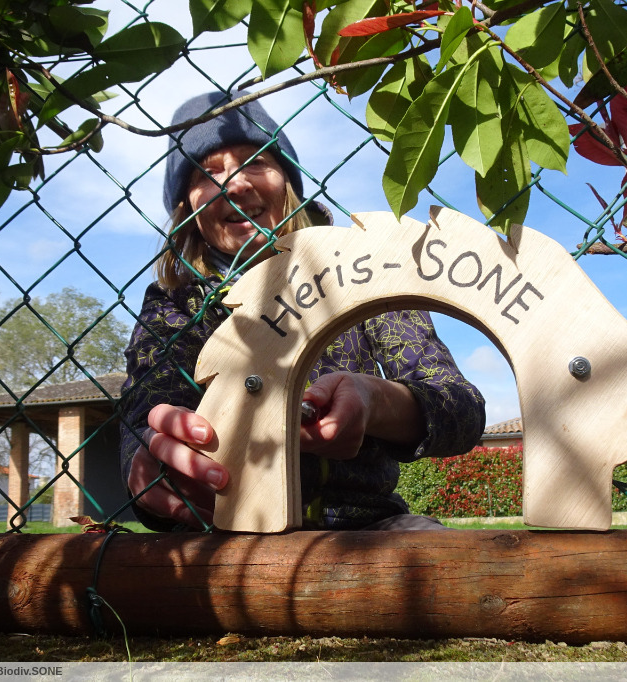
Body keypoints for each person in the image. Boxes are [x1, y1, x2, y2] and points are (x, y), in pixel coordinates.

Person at [119, 90, 486, 531]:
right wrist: (150, 459)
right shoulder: (175, 302)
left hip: (367, 526)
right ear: (187, 207)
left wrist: (373, 400)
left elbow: (460, 407)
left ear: (288, 181)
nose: (236, 184)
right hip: (224, 527)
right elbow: (145, 410)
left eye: (255, 161)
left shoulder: (364, 267)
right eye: (207, 171)